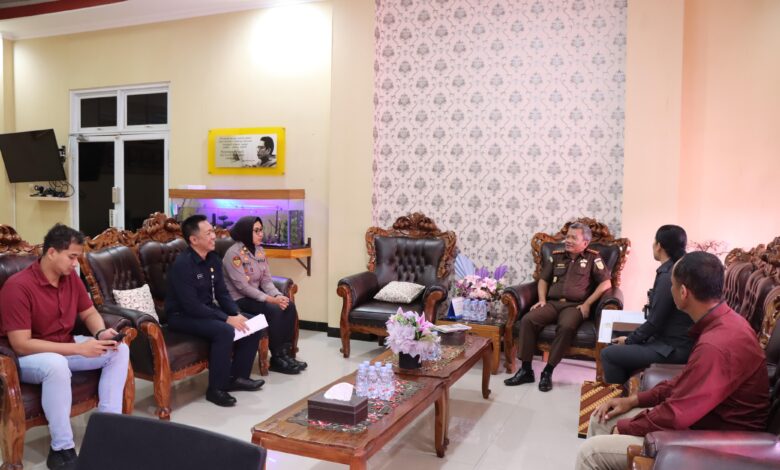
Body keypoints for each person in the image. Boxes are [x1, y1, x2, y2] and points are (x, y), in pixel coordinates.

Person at [575, 252, 769, 470]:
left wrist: (627, 427)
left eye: (672, 285)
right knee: (601, 418)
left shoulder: (716, 344)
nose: (670, 290)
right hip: (701, 421)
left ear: (683, 292)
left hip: (719, 442)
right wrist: (634, 400)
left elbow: (677, 414)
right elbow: (685, 383)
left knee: (589, 453)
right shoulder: (725, 323)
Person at [0, 224, 130, 469]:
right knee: (56, 364)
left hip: (63, 346)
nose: (75, 263)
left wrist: (100, 333)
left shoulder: (71, 279)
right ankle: (62, 449)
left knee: (118, 350)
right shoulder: (18, 287)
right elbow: (21, 344)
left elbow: (89, 312)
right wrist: (80, 349)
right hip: (26, 358)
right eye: (71, 257)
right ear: (51, 253)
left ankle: (108, 429)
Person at [165, 215, 265, 408]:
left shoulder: (213, 258)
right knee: (225, 331)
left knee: (252, 324)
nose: (214, 236)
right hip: (182, 316)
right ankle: (216, 389)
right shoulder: (183, 265)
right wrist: (227, 319)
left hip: (206, 310)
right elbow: (192, 306)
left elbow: (222, 293)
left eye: (213, 231)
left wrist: (236, 313)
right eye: (209, 233)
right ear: (194, 239)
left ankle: (238, 377)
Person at [505, 222, 612, 391]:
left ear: (585, 243)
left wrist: (587, 304)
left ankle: (547, 372)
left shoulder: (593, 258)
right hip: (552, 303)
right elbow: (543, 280)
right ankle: (526, 370)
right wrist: (542, 300)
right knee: (528, 320)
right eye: (567, 236)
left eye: (573, 238)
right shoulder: (557, 256)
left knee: (567, 326)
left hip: (575, 306)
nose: (568, 240)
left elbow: (606, 283)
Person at [600, 225, 693, 384]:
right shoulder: (678, 269)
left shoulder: (668, 276)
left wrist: (628, 341)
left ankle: (619, 397)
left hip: (671, 348)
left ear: (659, 246)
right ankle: (629, 388)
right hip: (672, 342)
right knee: (619, 339)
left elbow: (655, 322)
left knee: (608, 354)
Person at [222, 216, 306, 375]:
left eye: (261, 230)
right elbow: (243, 287)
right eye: (256, 231)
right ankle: (277, 358)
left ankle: (285, 354)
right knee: (273, 310)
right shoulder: (233, 255)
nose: (261, 234)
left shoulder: (259, 250)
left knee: (288, 305)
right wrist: (270, 300)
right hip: (238, 300)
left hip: (255, 296)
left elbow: (266, 280)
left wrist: (278, 296)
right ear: (246, 232)